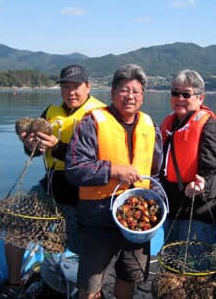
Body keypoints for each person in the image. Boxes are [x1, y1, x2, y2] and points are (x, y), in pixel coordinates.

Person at [0, 64, 106, 298]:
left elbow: (99, 161)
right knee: (15, 223)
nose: (71, 92)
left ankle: (91, 292)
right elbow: (36, 153)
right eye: (65, 86)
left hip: (84, 196)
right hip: (51, 189)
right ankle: (15, 283)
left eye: (76, 86)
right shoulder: (51, 111)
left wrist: (57, 147)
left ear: (88, 86)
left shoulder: (102, 115)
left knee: (85, 248)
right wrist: (30, 145)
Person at [65, 64, 162, 299]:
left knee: (129, 275)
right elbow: (74, 169)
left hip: (137, 220)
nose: (130, 96)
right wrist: (113, 170)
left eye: (136, 91)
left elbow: (156, 172)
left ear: (142, 96)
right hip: (98, 215)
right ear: (112, 92)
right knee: (91, 283)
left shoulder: (150, 126)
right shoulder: (92, 123)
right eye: (124, 90)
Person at [159, 69, 216, 244]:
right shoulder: (171, 123)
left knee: (192, 267)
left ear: (200, 98)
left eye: (186, 94)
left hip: (198, 213)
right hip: (172, 208)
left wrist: (204, 186)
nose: (179, 98)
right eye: (175, 93)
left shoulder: (209, 127)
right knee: (171, 263)